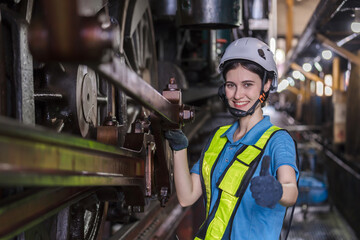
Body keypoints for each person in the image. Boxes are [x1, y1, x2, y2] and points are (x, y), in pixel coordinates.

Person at [165, 37, 299, 240]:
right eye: (230, 85)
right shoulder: (219, 137)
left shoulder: (277, 141)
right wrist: (179, 148)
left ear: (266, 84)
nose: (237, 95)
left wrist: (278, 191)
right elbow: (187, 197)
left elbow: (291, 190)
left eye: (247, 84)